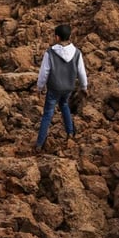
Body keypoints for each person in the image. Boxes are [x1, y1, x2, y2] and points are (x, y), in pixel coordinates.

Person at [35, 24, 89, 152]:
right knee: (64, 105)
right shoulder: (77, 53)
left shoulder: (50, 53)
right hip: (68, 88)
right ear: (70, 37)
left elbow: (44, 72)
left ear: (57, 37)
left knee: (48, 113)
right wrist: (84, 86)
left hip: (54, 88)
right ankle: (70, 132)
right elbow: (81, 72)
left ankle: (39, 143)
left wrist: (40, 87)